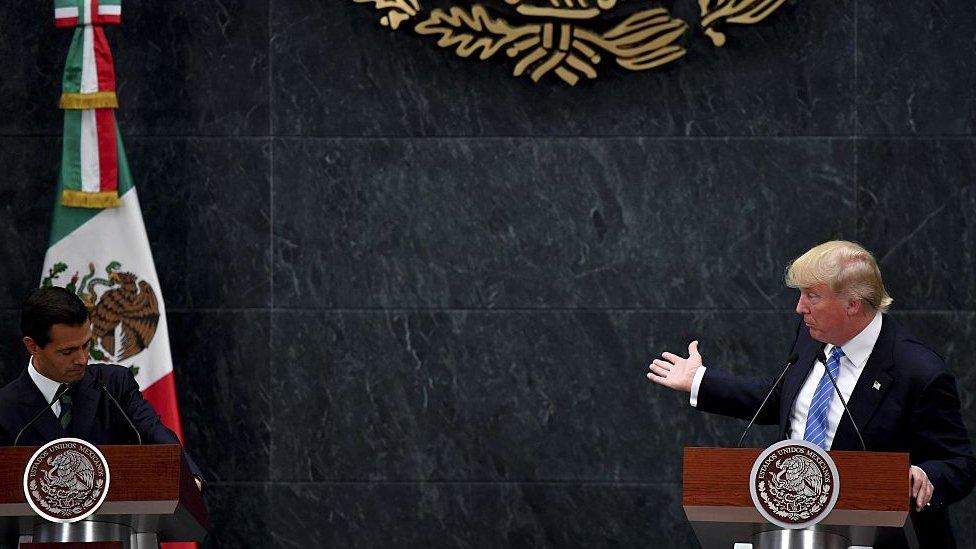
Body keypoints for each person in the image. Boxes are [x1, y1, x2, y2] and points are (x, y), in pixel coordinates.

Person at [646, 241, 975, 548]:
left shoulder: (918, 370)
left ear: (852, 305)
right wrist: (699, 381)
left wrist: (924, 476)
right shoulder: (812, 336)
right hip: (795, 531)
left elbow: (959, 464)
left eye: (812, 296)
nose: (799, 307)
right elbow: (781, 398)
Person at [0, 286, 203, 488]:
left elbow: (152, 432)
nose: (82, 359)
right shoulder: (5, 407)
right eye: (68, 351)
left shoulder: (113, 385)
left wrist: (188, 477)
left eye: (86, 345)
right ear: (32, 346)